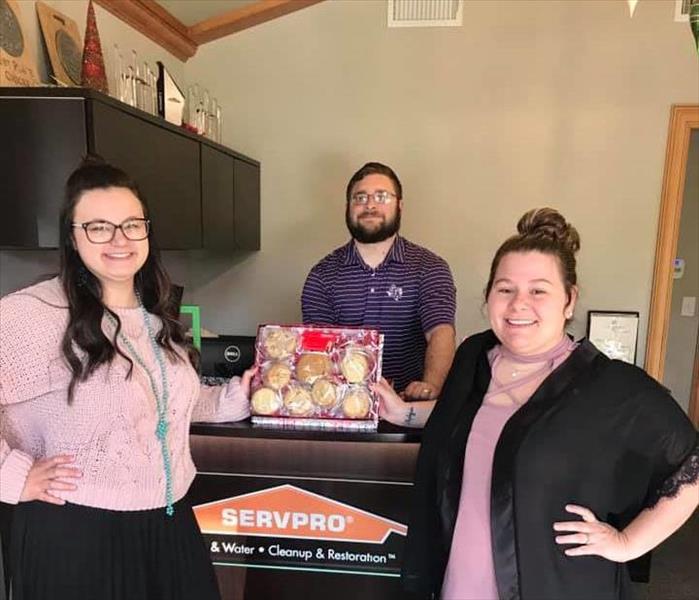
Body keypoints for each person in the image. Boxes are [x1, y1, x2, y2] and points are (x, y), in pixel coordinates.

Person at [374, 208, 698, 599]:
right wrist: (401, 413)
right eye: (505, 288)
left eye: (538, 290)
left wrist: (627, 544)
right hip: (458, 582)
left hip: (556, 585)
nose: (518, 304)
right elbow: (466, 418)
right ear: (489, 296)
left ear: (569, 300)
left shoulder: (608, 386)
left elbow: (692, 464)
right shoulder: (473, 356)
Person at [0, 158, 251, 600]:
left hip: (169, 522)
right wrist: (11, 474)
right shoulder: (30, 314)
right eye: (98, 226)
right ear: (72, 237)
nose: (119, 239)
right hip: (75, 534)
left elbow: (157, 403)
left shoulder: (155, 315)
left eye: (132, 224)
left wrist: (235, 398)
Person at [301, 162, 457, 403]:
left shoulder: (430, 268)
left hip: (410, 410)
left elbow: (440, 332)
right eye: (360, 197)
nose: (370, 205)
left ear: (400, 205)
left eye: (381, 196)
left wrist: (430, 386)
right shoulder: (322, 276)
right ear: (348, 207)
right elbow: (320, 353)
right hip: (344, 409)